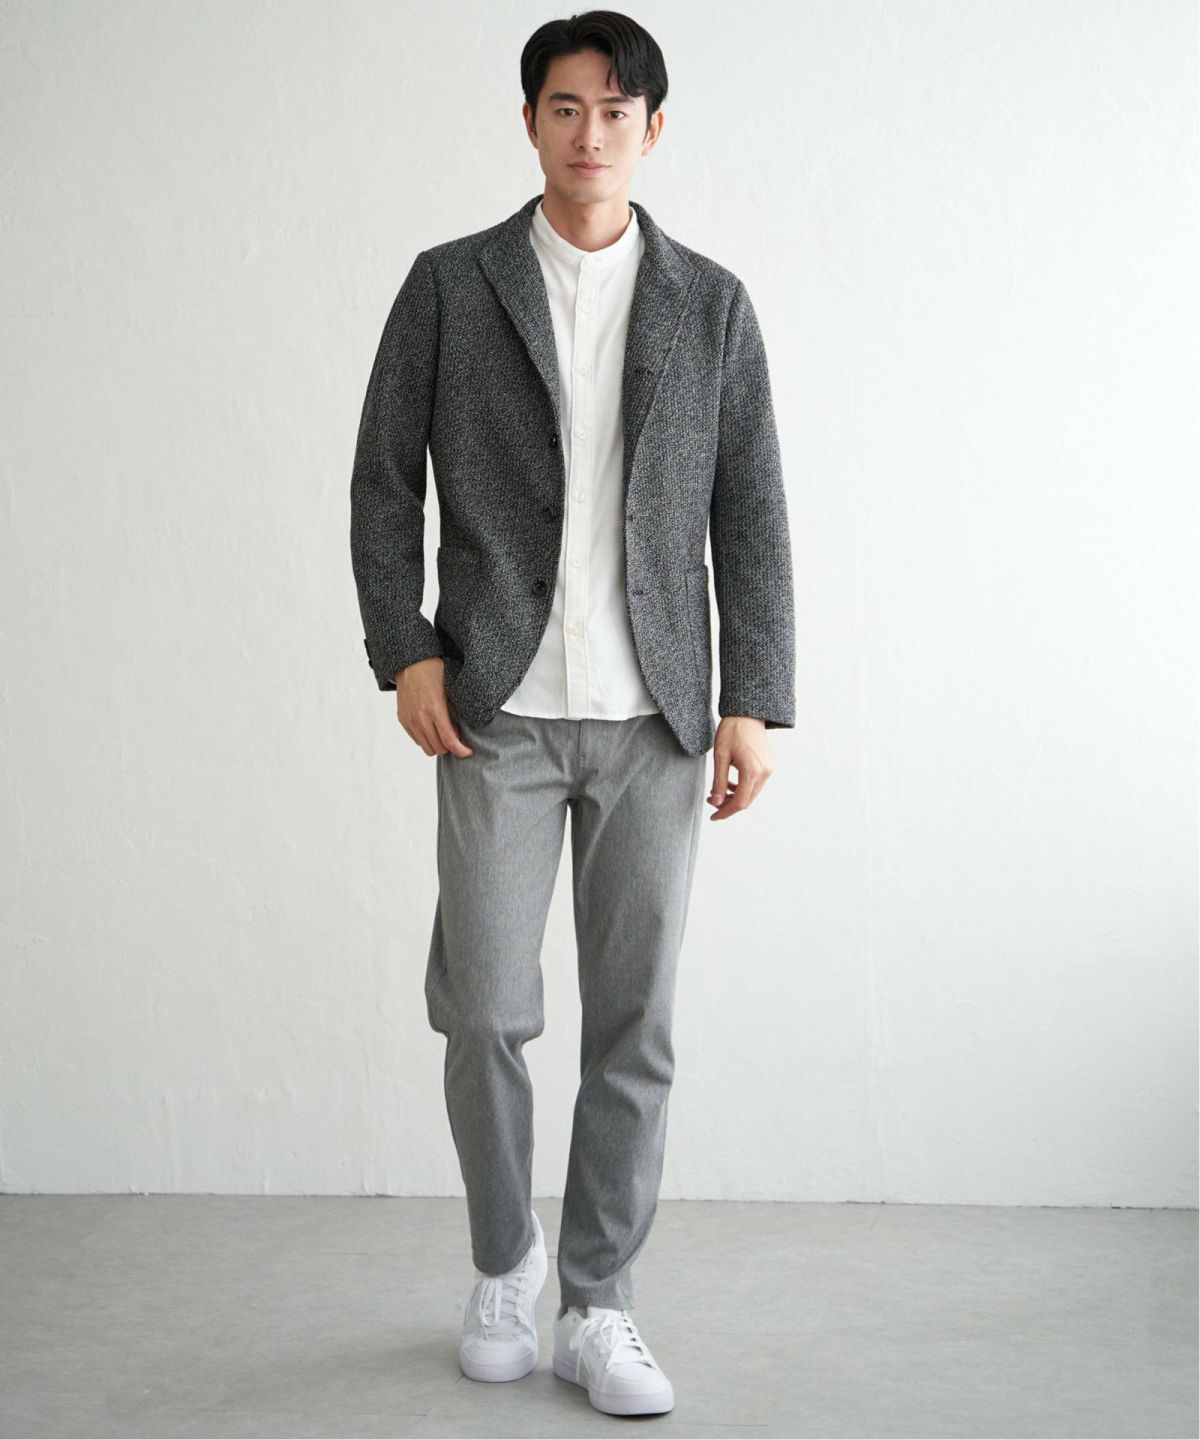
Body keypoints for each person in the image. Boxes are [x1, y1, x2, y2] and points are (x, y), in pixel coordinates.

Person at [349, 9, 795, 1419]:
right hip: (496, 708)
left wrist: (754, 699)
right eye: (563, 107)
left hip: (659, 715)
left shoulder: (710, 304)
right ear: (530, 121)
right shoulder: (451, 285)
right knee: (484, 1008)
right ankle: (505, 1265)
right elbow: (382, 483)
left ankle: (600, 1302)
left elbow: (750, 508)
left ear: (652, 129)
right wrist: (406, 651)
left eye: (615, 110)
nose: (589, 133)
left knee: (633, 1024)